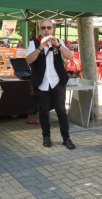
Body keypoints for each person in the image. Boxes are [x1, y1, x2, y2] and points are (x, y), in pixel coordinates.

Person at [26, 19, 75, 149]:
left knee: (61, 111)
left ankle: (66, 138)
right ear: (40, 30)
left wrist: (58, 45)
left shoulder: (59, 42)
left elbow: (70, 56)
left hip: (57, 82)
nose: (46, 30)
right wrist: (40, 47)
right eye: (43, 28)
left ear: (52, 29)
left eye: (48, 27)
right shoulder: (34, 43)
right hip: (42, 83)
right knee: (43, 112)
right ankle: (46, 137)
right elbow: (28, 60)